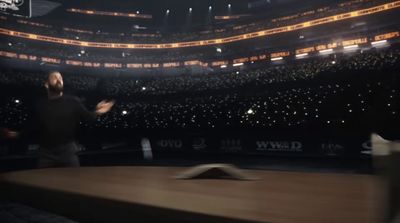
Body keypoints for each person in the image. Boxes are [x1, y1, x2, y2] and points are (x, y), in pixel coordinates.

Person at [3, 71, 115, 168]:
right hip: (46, 153)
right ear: (46, 84)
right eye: (55, 77)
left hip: (68, 152)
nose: (59, 79)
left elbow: (89, 118)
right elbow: (31, 127)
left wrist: (98, 111)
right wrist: (17, 134)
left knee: (74, 183)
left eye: (60, 78)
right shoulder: (40, 105)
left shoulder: (73, 101)